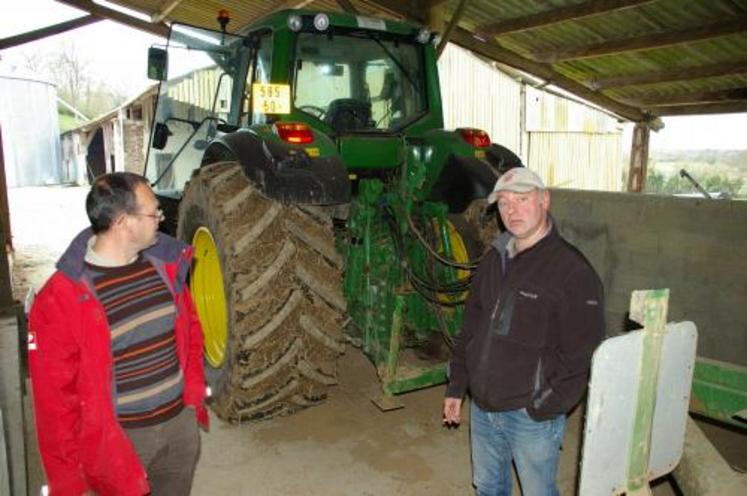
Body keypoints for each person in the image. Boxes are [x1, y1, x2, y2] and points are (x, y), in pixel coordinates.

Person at [28, 172, 208, 496]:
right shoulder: (61, 297)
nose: (160, 220)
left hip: (178, 428)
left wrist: (192, 397)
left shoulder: (165, 265)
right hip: (121, 442)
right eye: (154, 213)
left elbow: (191, 332)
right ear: (125, 223)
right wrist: (65, 479)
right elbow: (54, 400)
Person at [443, 167, 604, 496]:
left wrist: (543, 405)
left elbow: (582, 355)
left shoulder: (572, 271)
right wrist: (457, 386)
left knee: (538, 492)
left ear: (545, 200)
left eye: (522, 199)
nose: (511, 210)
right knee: (488, 487)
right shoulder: (493, 261)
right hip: (483, 407)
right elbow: (470, 329)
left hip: (530, 415)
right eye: (503, 203)